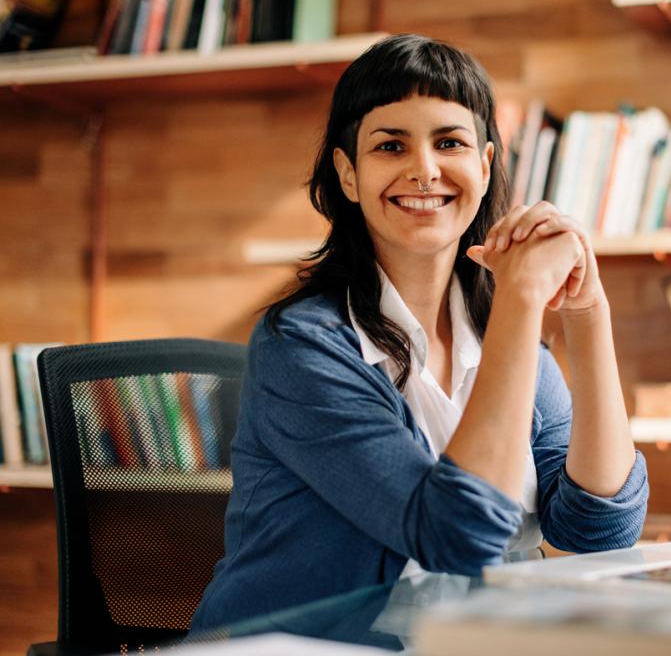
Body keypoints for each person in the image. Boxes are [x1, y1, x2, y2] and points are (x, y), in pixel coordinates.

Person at [190, 34, 648, 631]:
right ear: (349, 174)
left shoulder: (503, 339)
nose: (425, 170)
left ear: (484, 167)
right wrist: (522, 296)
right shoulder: (302, 346)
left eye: (449, 142)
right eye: (391, 145)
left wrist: (588, 315)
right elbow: (455, 534)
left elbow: (599, 529)